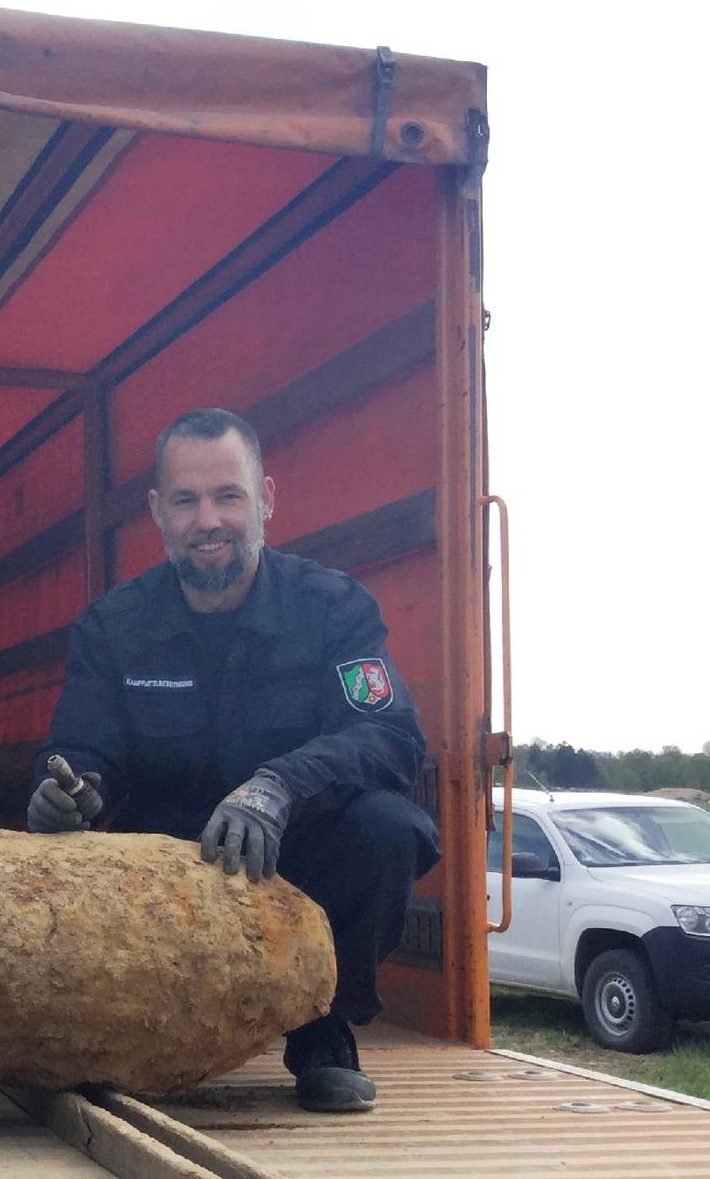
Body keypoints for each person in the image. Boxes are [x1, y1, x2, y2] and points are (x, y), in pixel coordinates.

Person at [29, 407, 439, 1114]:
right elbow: (83, 750)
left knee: (388, 828)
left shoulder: (335, 608)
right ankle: (130, 1024)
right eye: (186, 500)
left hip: (294, 849)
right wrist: (69, 791)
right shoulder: (112, 626)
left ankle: (320, 1027)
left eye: (228, 495)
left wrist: (279, 786)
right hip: (163, 866)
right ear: (158, 512)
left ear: (267, 500)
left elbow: (391, 735)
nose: (208, 518)